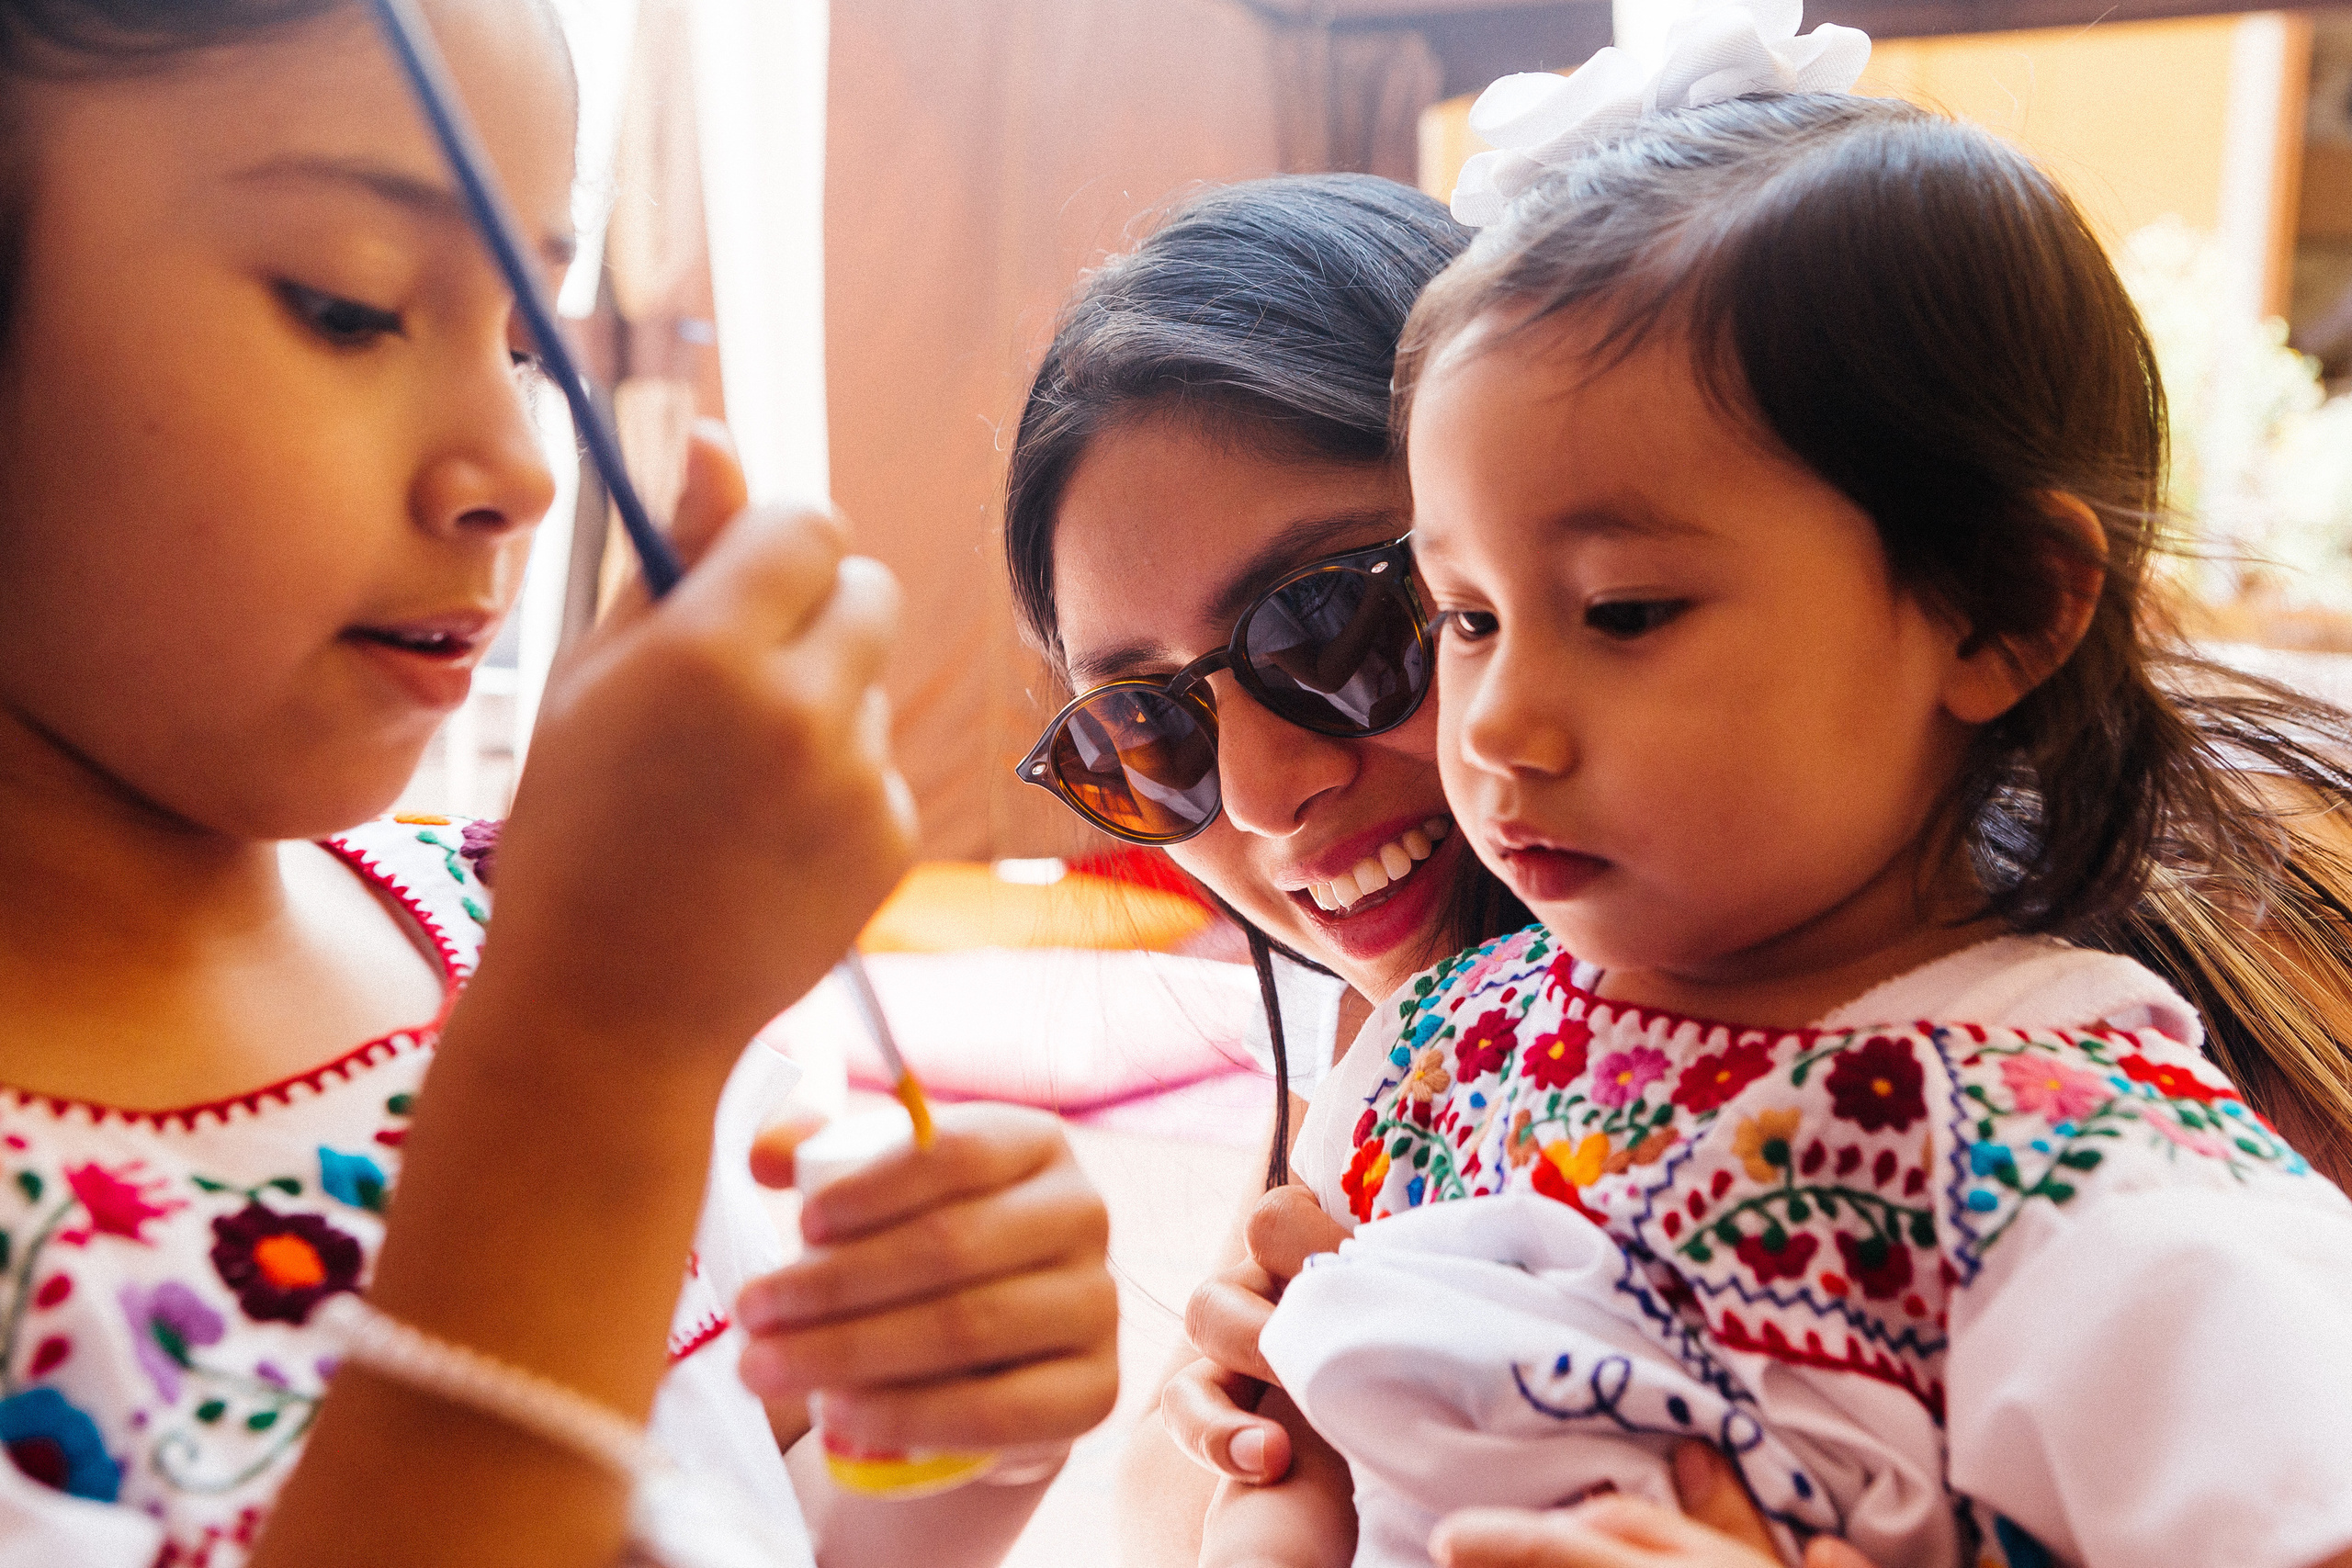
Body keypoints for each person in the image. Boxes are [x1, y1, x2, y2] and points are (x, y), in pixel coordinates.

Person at [1210, 10, 2352, 1566]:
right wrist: (1268, 1422)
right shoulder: (1447, 1045)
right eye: (1467, 619)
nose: (1500, 726)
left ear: (2003, 611)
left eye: (1623, 614)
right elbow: (1294, 1473)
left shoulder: (2075, 1165)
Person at [0, 3, 1116, 1564]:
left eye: (528, 346)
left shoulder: (524, 926)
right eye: (350, 306)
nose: (521, 471)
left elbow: (737, 1520)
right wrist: (591, 1056)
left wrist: (951, 1452)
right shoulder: (594, 991)